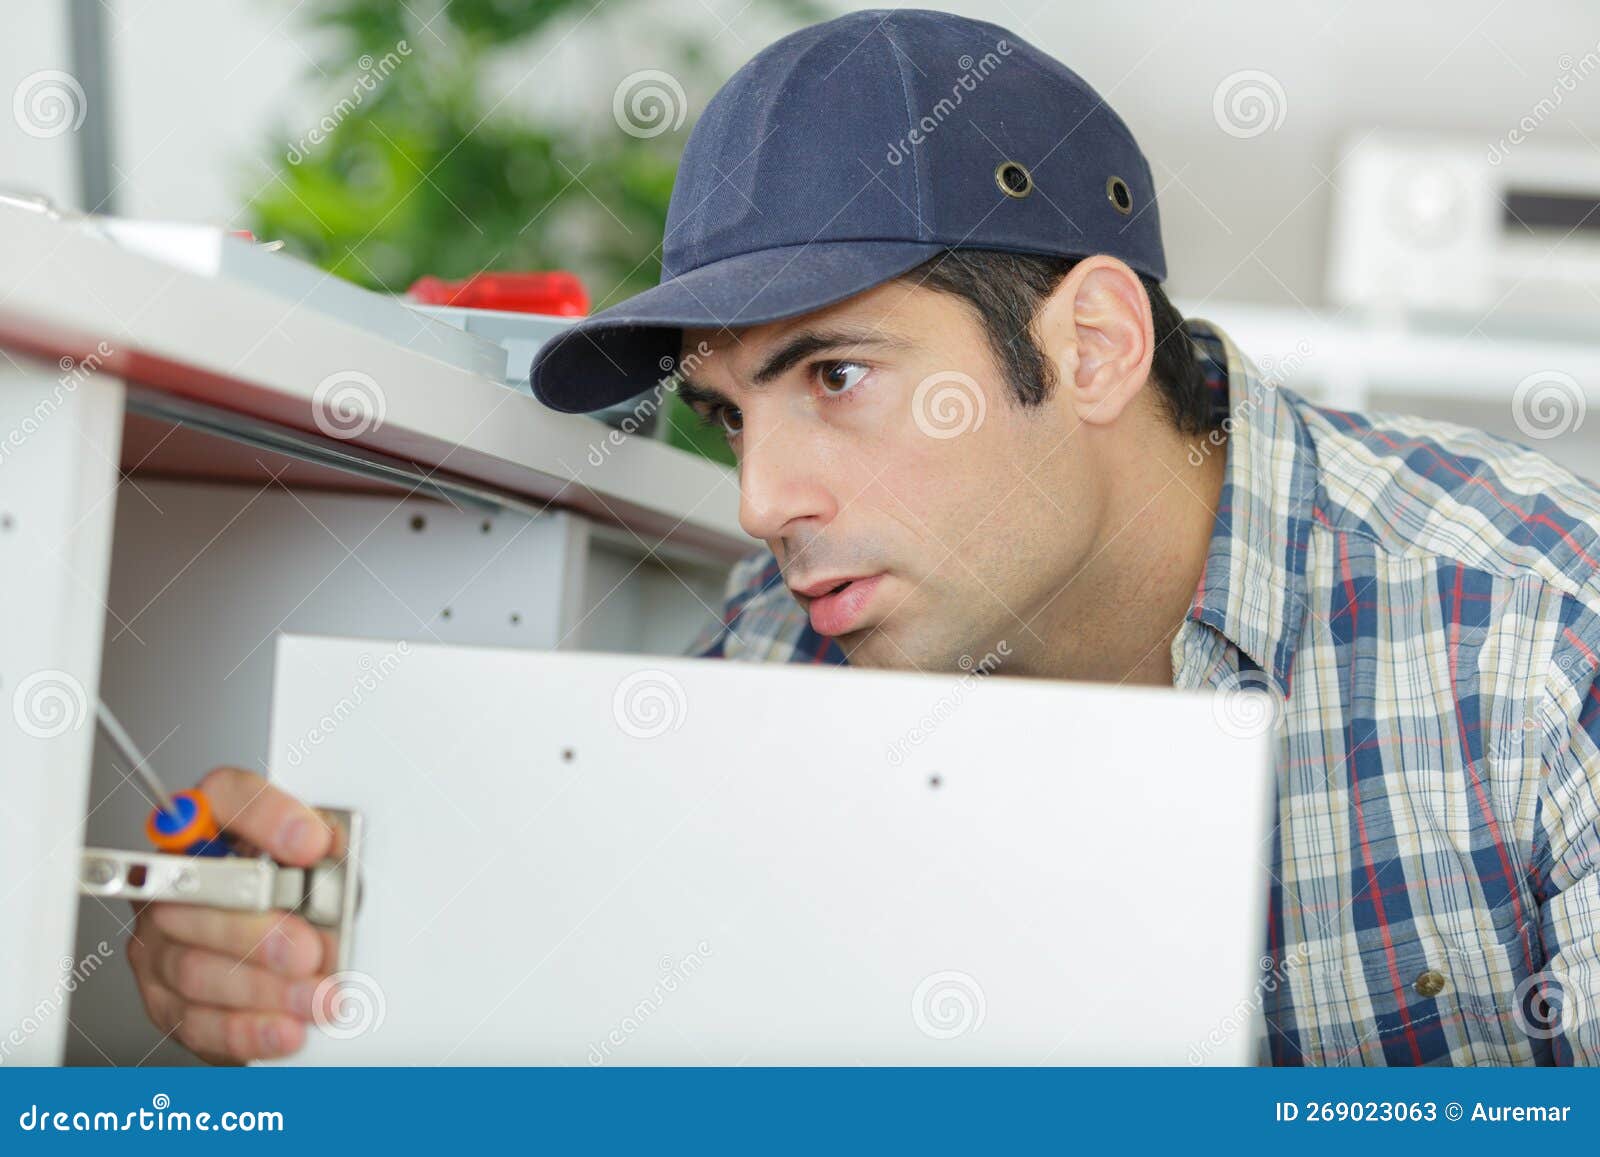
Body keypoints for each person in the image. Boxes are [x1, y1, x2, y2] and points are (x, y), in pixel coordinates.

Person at [131, 8, 1600, 1065]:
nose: (766, 501)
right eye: (728, 415)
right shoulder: (773, 663)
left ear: (1091, 345)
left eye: (836, 377)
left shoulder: (1538, 646)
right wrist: (298, 963)